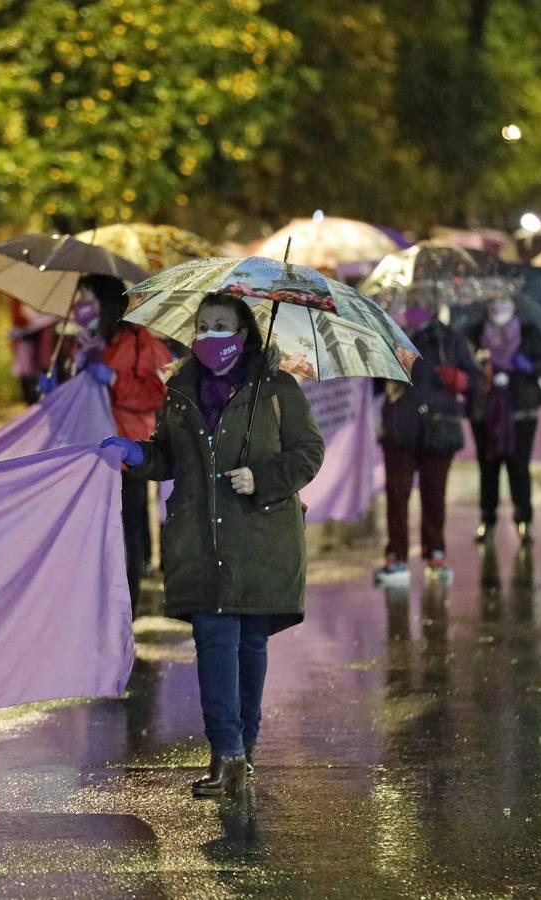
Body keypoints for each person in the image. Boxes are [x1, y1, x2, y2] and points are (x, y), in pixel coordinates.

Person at [102, 292, 324, 797]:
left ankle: (244, 753)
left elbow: (309, 451)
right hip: (200, 540)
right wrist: (136, 453)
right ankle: (225, 755)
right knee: (213, 643)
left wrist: (263, 477)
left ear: (243, 334)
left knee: (248, 645)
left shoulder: (277, 388)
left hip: (261, 540)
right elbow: (170, 458)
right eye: (201, 326)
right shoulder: (180, 389)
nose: (207, 335)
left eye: (219, 326)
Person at [44, 274, 170, 611]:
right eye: (79, 297)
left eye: (87, 297)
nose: (80, 304)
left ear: (108, 302)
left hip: (127, 449)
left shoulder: (140, 343)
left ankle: (126, 610)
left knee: (126, 530)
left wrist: (114, 379)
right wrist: (54, 392)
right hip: (88, 450)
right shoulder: (82, 343)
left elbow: (157, 394)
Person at [374, 299, 482, 584]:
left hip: (439, 427)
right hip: (400, 426)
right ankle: (396, 556)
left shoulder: (450, 339)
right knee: (397, 496)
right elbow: (374, 383)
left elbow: (475, 378)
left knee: (434, 494)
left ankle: (435, 552)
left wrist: (459, 379)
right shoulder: (391, 334)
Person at [466, 296, 541, 545]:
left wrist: (529, 368)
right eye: (493, 300)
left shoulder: (528, 332)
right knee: (488, 466)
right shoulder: (473, 333)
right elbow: (464, 365)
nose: (498, 305)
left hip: (521, 410)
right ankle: (487, 519)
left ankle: (524, 520)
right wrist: (479, 366)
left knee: (518, 467)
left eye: (503, 300)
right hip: (485, 412)